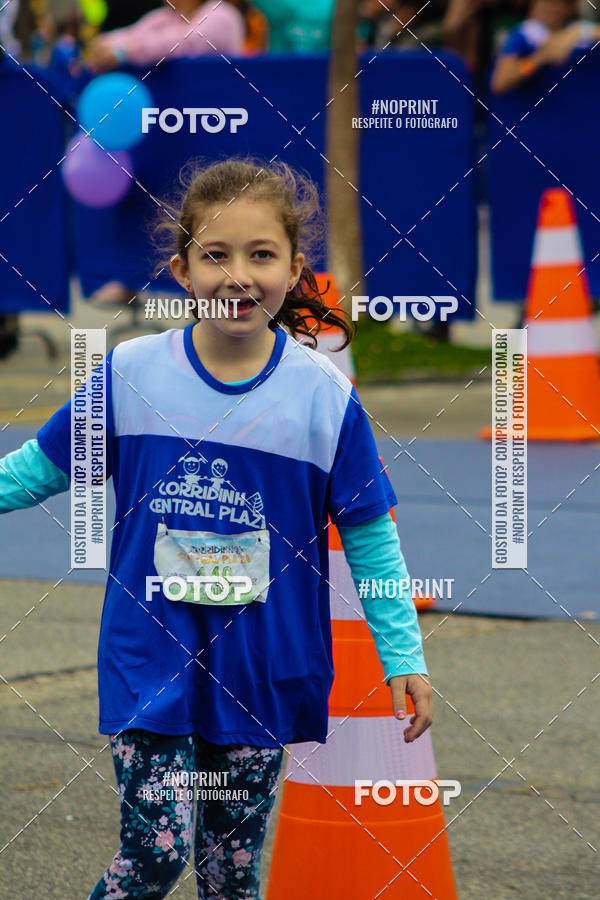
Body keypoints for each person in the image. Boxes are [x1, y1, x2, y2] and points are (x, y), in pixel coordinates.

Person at [0, 157, 433, 898]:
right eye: (216, 255)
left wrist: (403, 657)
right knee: (155, 853)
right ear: (180, 268)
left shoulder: (324, 396)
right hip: (150, 658)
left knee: (231, 876)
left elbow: (369, 534)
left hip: (262, 669)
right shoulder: (131, 374)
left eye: (261, 255)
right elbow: (40, 469)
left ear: (296, 270)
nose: (239, 275)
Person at [87, 0, 245, 71]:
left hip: (217, 110)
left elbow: (182, 43)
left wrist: (122, 52)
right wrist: (104, 46)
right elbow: (128, 35)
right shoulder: (166, 16)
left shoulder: (222, 15)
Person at [490, 0, 600, 93]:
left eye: (560, 3)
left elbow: (590, 31)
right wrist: (539, 58)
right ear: (535, 5)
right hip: (540, 114)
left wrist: (580, 32)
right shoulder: (526, 33)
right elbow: (500, 82)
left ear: (570, 8)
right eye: (547, 2)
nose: (553, 8)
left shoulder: (578, 30)